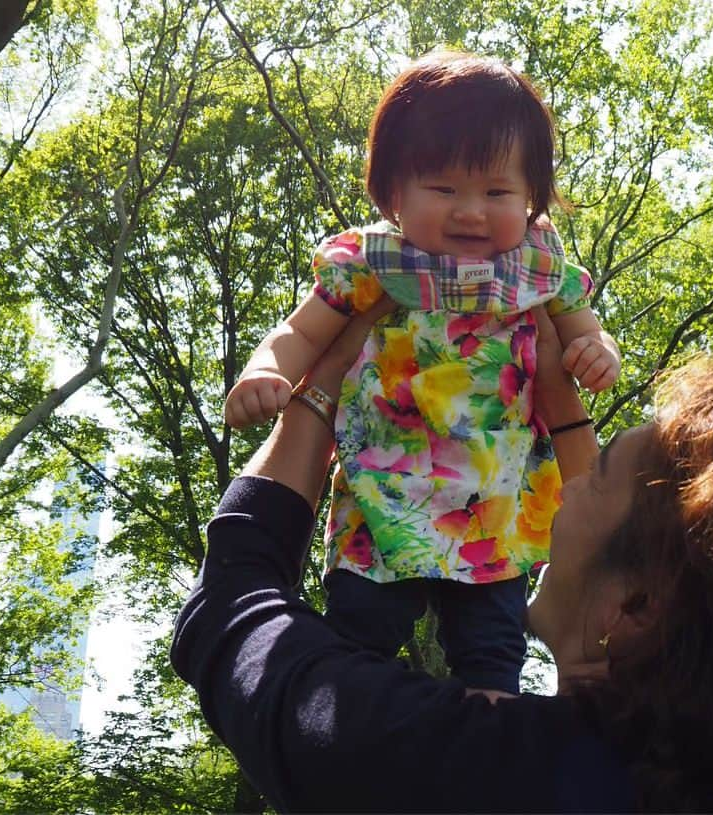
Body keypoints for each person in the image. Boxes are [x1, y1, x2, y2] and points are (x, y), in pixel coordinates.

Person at [173, 297, 713, 812]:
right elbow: (644, 531)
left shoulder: (504, 780)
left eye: (597, 470)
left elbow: (232, 615)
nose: (561, 483)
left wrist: (320, 391)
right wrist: (563, 406)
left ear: (639, 607)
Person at [222, 51, 620, 697]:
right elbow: (300, 332)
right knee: (356, 636)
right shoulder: (371, 266)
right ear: (392, 194)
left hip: (493, 505)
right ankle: (349, 744)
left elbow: (585, 330)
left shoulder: (536, 274)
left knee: (493, 653)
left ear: (532, 200)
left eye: (497, 192)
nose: (470, 211)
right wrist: (265, 371)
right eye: (443, 188)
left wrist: (597, 354)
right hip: (385, 491)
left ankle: (486, 759)